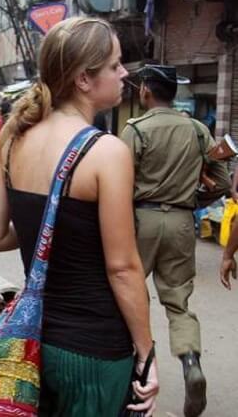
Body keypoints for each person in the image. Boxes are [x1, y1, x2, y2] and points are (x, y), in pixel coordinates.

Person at [0, 17, 158, 416]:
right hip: (94, 351)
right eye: (115, 65)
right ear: (83, 79)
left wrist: (42, 222)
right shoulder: (106, 152)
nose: (124, 73)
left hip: (34, 344)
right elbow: (124, 268)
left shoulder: (14, 138)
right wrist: (147, 354)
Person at [120, 64, 215, 417]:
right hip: (180, 221)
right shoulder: (198, 130)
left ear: (145, 90)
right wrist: (192, 200)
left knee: (127, 293)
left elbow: (119, 180)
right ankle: (191, 362)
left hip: (140, 220)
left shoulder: (136, 130)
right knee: (178, 301)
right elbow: (219, 180)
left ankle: (134, 373)